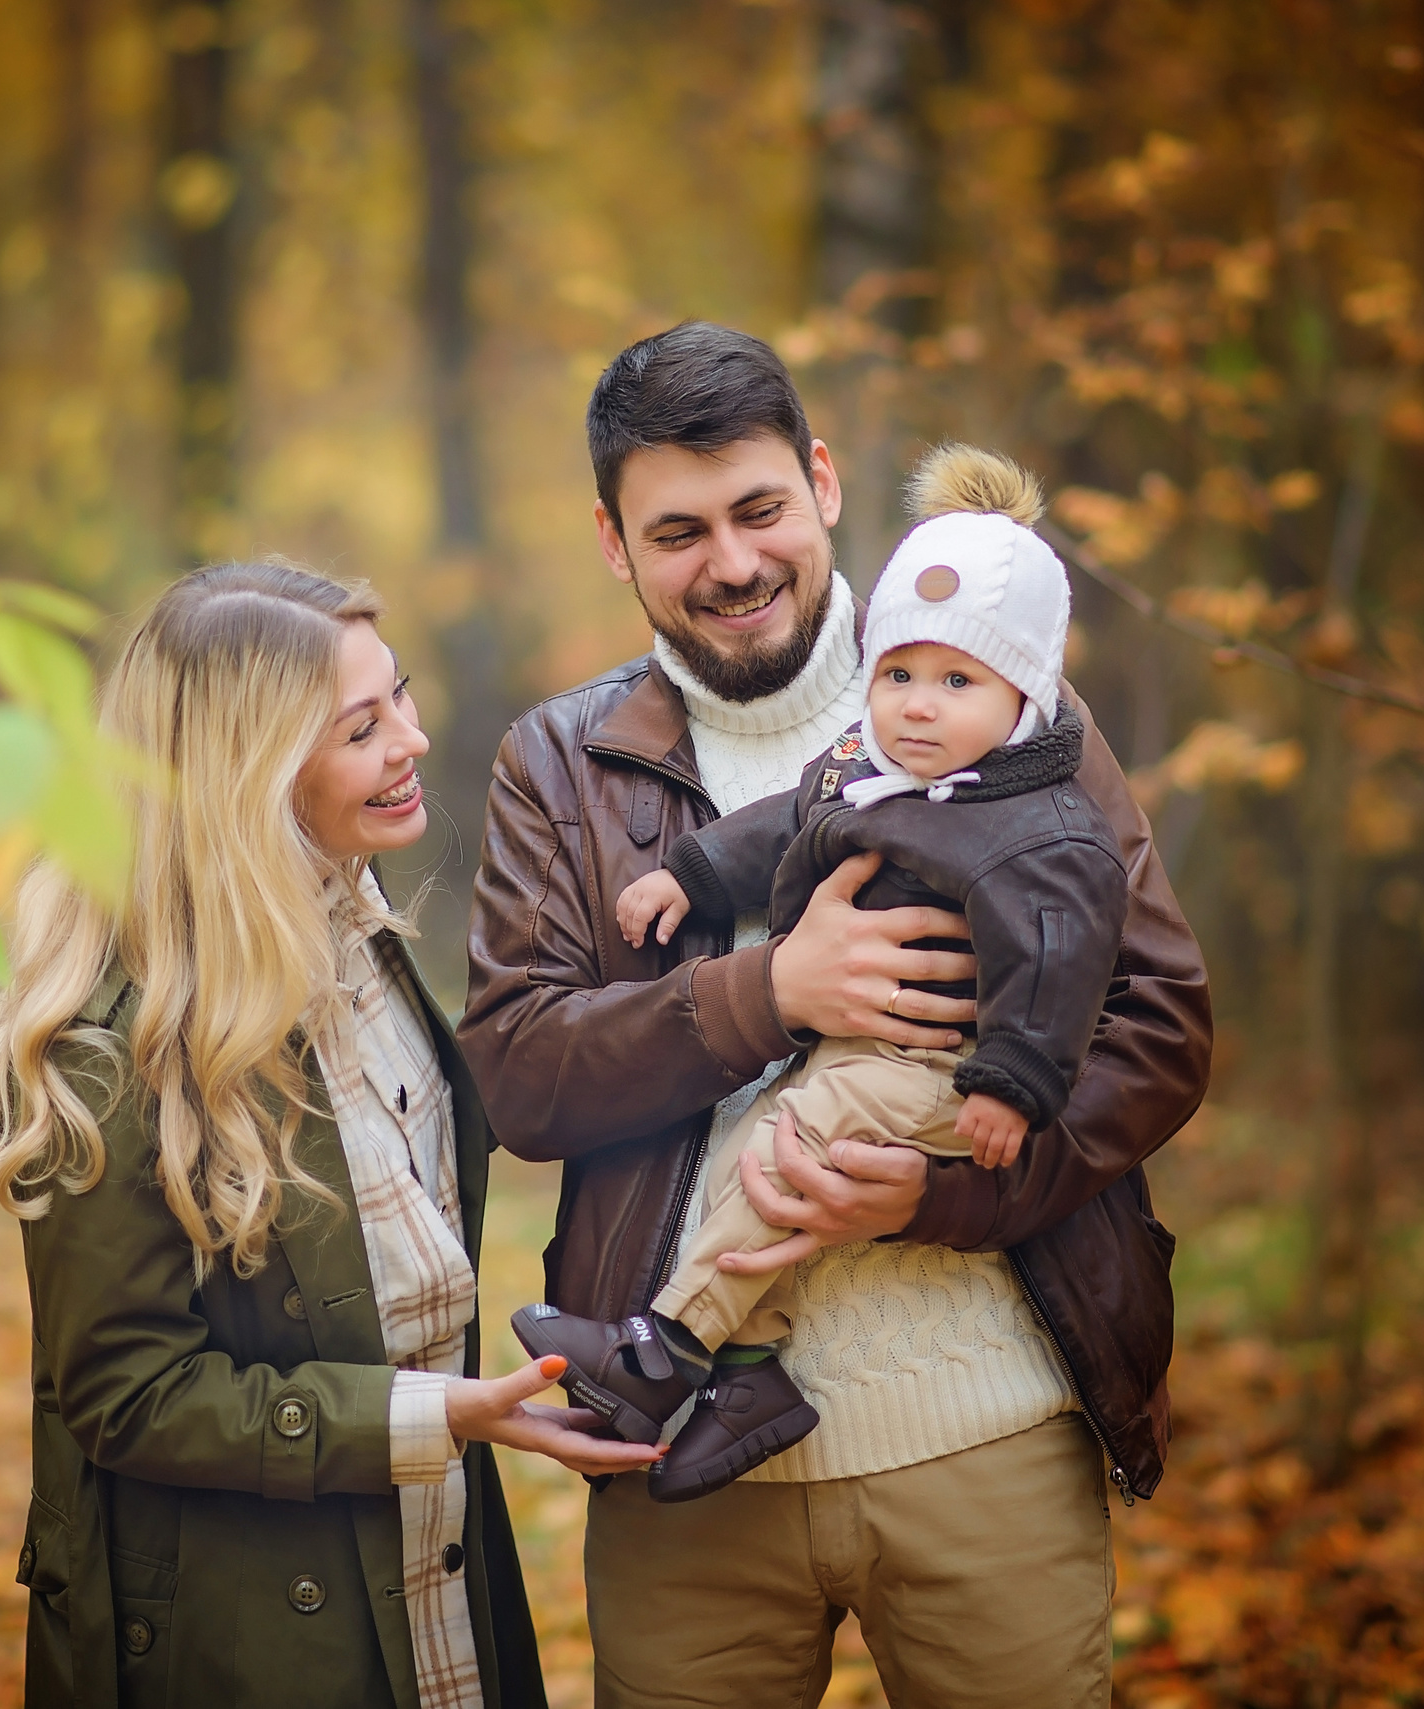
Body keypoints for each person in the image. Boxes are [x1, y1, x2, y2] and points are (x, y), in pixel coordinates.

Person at [458, 323, 1214, 1708]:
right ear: (615, 545)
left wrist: (939, 1192)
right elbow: (516, 1075)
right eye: (677, 530)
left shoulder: (1016, 713)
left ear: (821, 482)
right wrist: (767, 992)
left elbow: (1159, 1025)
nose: (734, 563)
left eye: (758, 509)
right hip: (679, 1456)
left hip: (986, 1428)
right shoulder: (560, 766)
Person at [0, 563, 659, 1709]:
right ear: (251, 772)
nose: (412, 741)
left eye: (402, 699)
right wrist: (433, 1413)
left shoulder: (364, 942)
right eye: (360, 727)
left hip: (437, 1579)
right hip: (254, 1639)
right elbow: (126, 1393)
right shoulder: (114, 1043)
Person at [513, 444, 1132, 1505]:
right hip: (859, 1054)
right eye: (897, 675)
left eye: (955, 682)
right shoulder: (876, 767)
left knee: (794, 1139)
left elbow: (1060, 958)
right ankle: (749, 1373)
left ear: (1024, 697)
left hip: (950, 1071)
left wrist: (1013, 1085)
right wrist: (688, 878)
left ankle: (661, 1350)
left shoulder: (1042, 827)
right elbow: (788, 818)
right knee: (752, 1158)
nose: (917, 706)